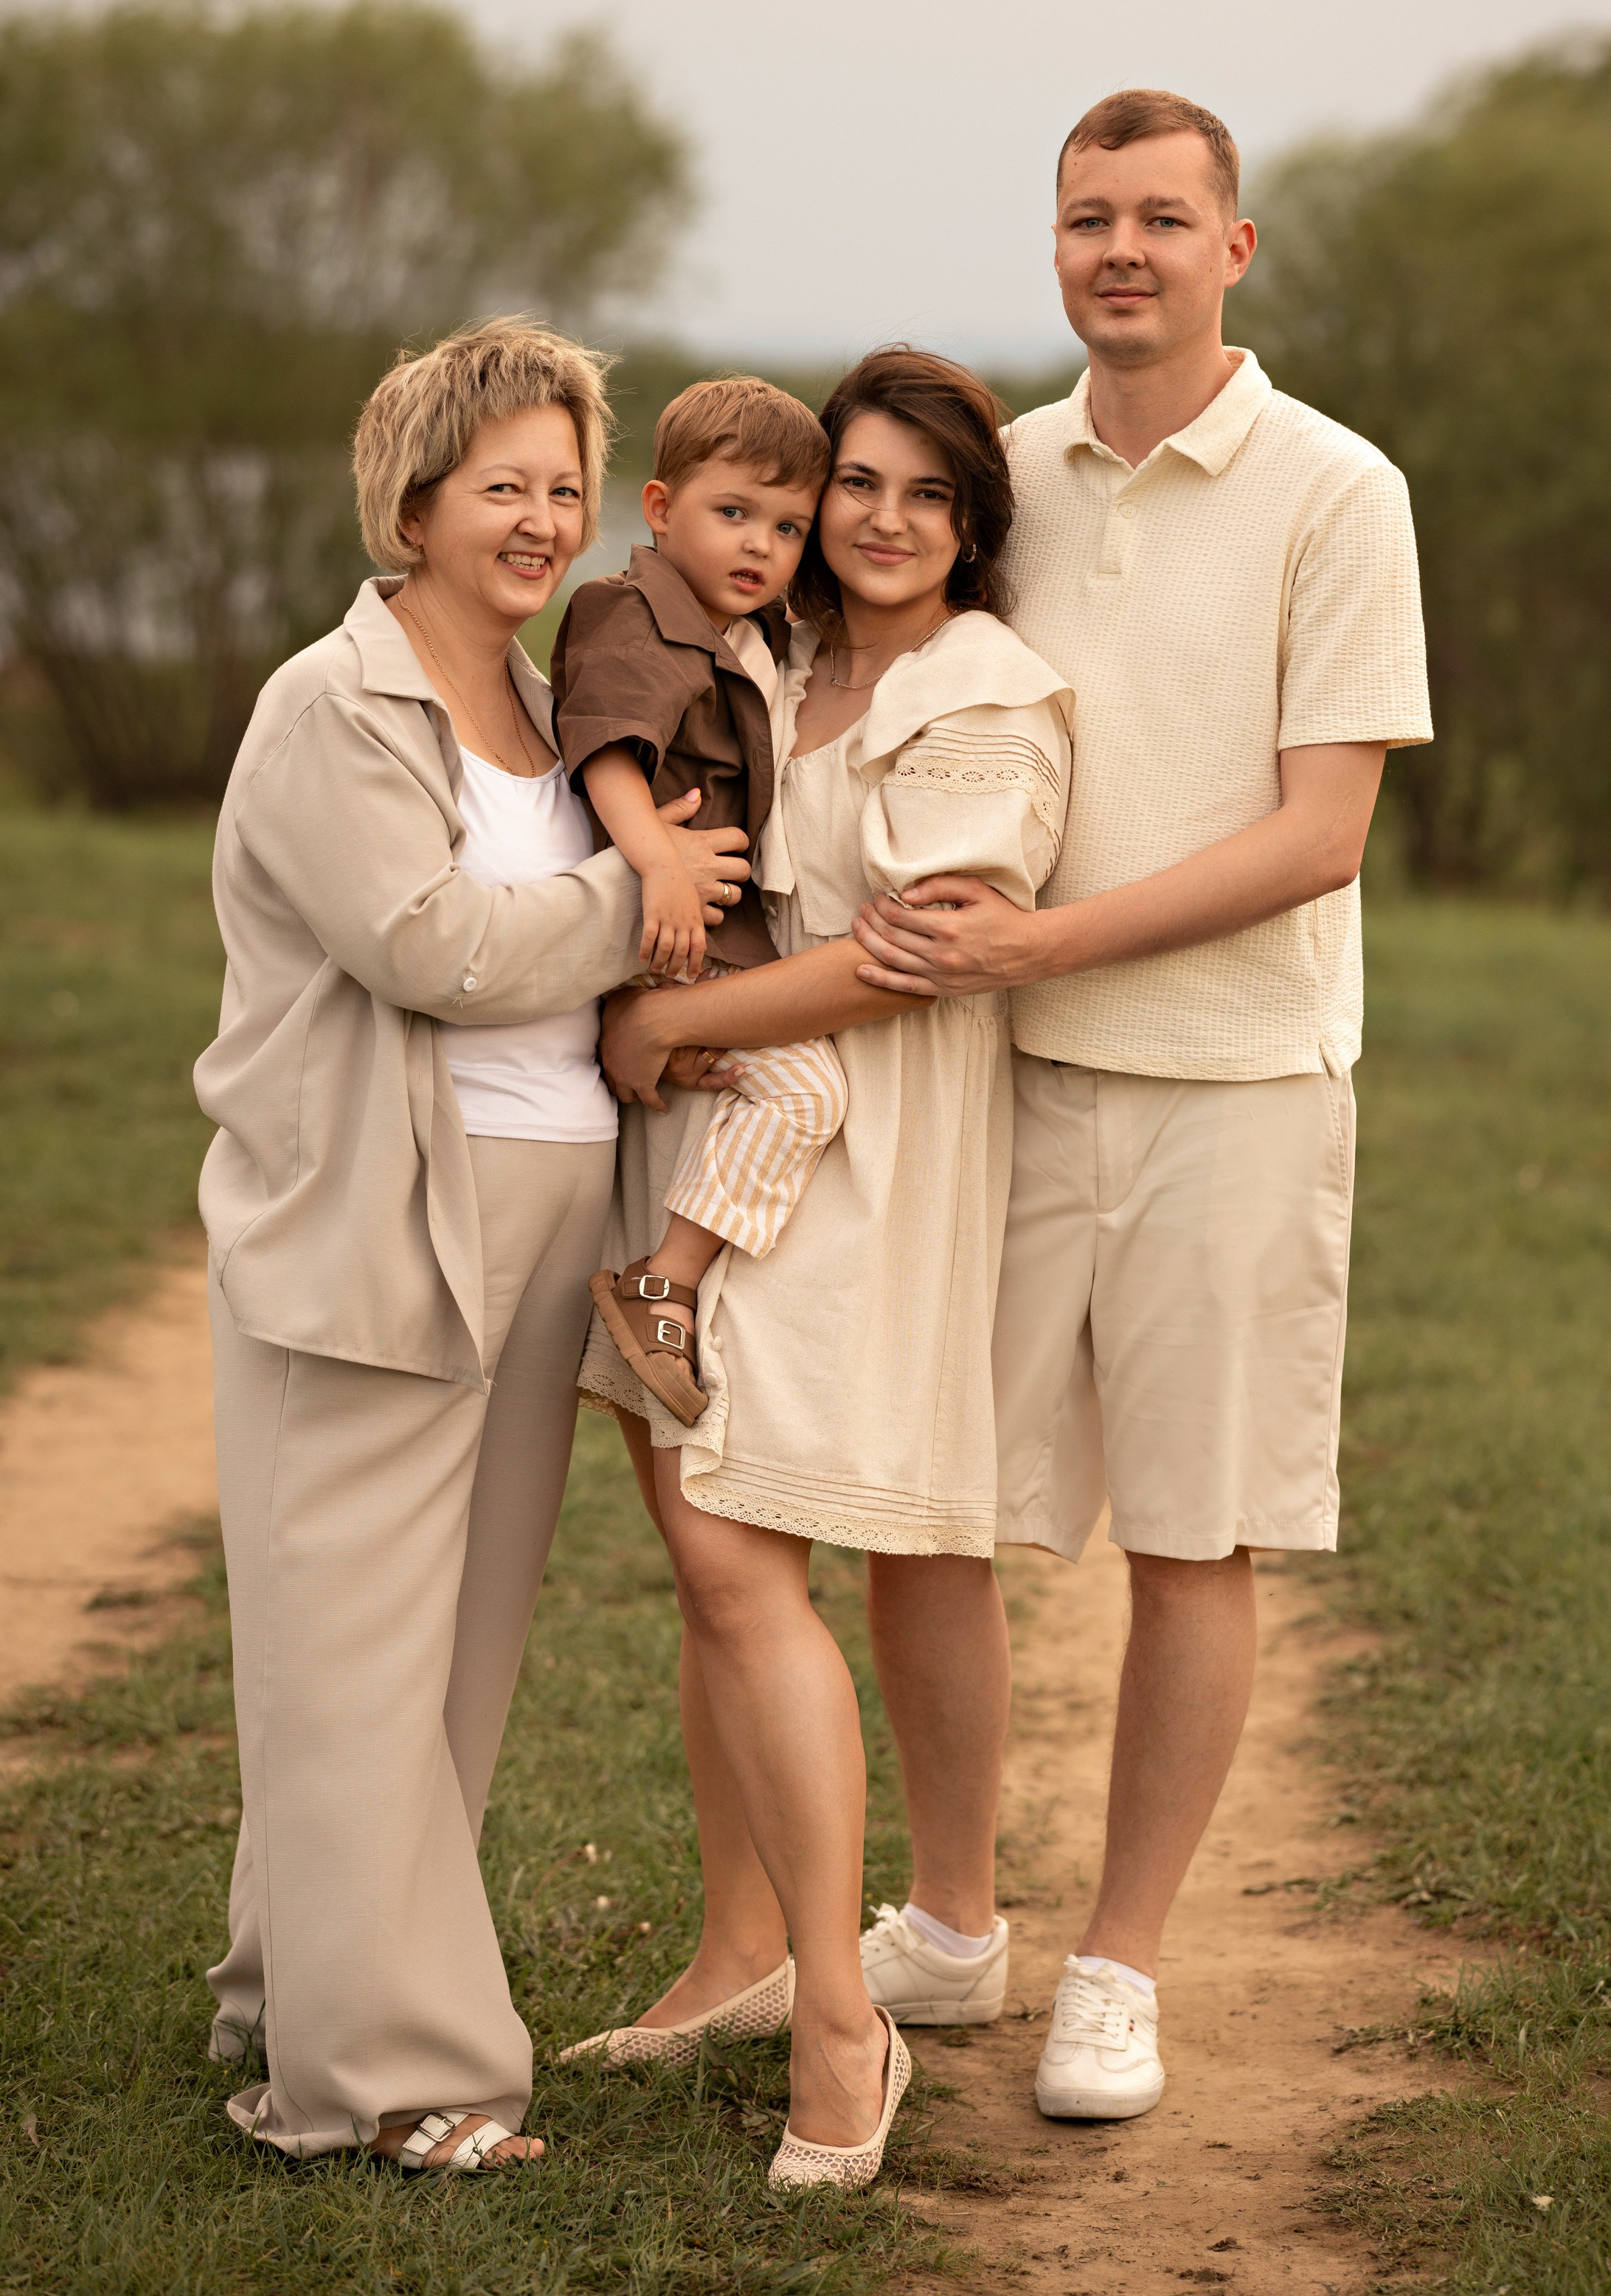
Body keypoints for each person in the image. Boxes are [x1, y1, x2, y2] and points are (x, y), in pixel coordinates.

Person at [850, 90, 1432, 2120]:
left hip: (1238, 1085)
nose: (1123, 249)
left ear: (1234, 248)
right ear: (1058, 242)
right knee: (927, 1505)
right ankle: (948, 1919)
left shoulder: (1338, 490)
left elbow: (1320, 834)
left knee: (1195, 1534)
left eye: (1162, 219)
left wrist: (1045, 942)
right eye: (1089, 217)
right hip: (996, 1091)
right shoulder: (994, 478)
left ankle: (1121, 1961)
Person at [194, 317, 744, 2169]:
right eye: (498, 483)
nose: (538, 517)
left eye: (562, 486)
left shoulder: (541, 703)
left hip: (539, 1206)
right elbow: (425, 944)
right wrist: (636, 890)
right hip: (373, 1218)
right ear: (412, 499)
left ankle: (299, 1983)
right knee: (349, 1647)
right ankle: (392, 2074)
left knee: (449, 1655)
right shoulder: (327, 705)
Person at [562, 347, 1073, 2189]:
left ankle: (850, 2027)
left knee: (733, 1541)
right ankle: (741, 1952)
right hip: (720, 1135)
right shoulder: (769, 656)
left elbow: (908, 955)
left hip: (863, 1154)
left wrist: (647, 1021)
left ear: (971, 525)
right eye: (852, 480)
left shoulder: (986, 696)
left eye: (925, 493)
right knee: (705, 1552)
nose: (874, 517)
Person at [550, 376, 847, 1428]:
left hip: (704, 935)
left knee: (778, 1083)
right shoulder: (630, 611)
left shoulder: (755, 634)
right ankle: (662, 1281)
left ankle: (669, 1276)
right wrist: (661, 866)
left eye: (788, 527)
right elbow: (607, 756)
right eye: (733, 514)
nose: (761, 544)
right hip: (671, 928)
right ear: (663, 508)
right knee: (807, 1092)